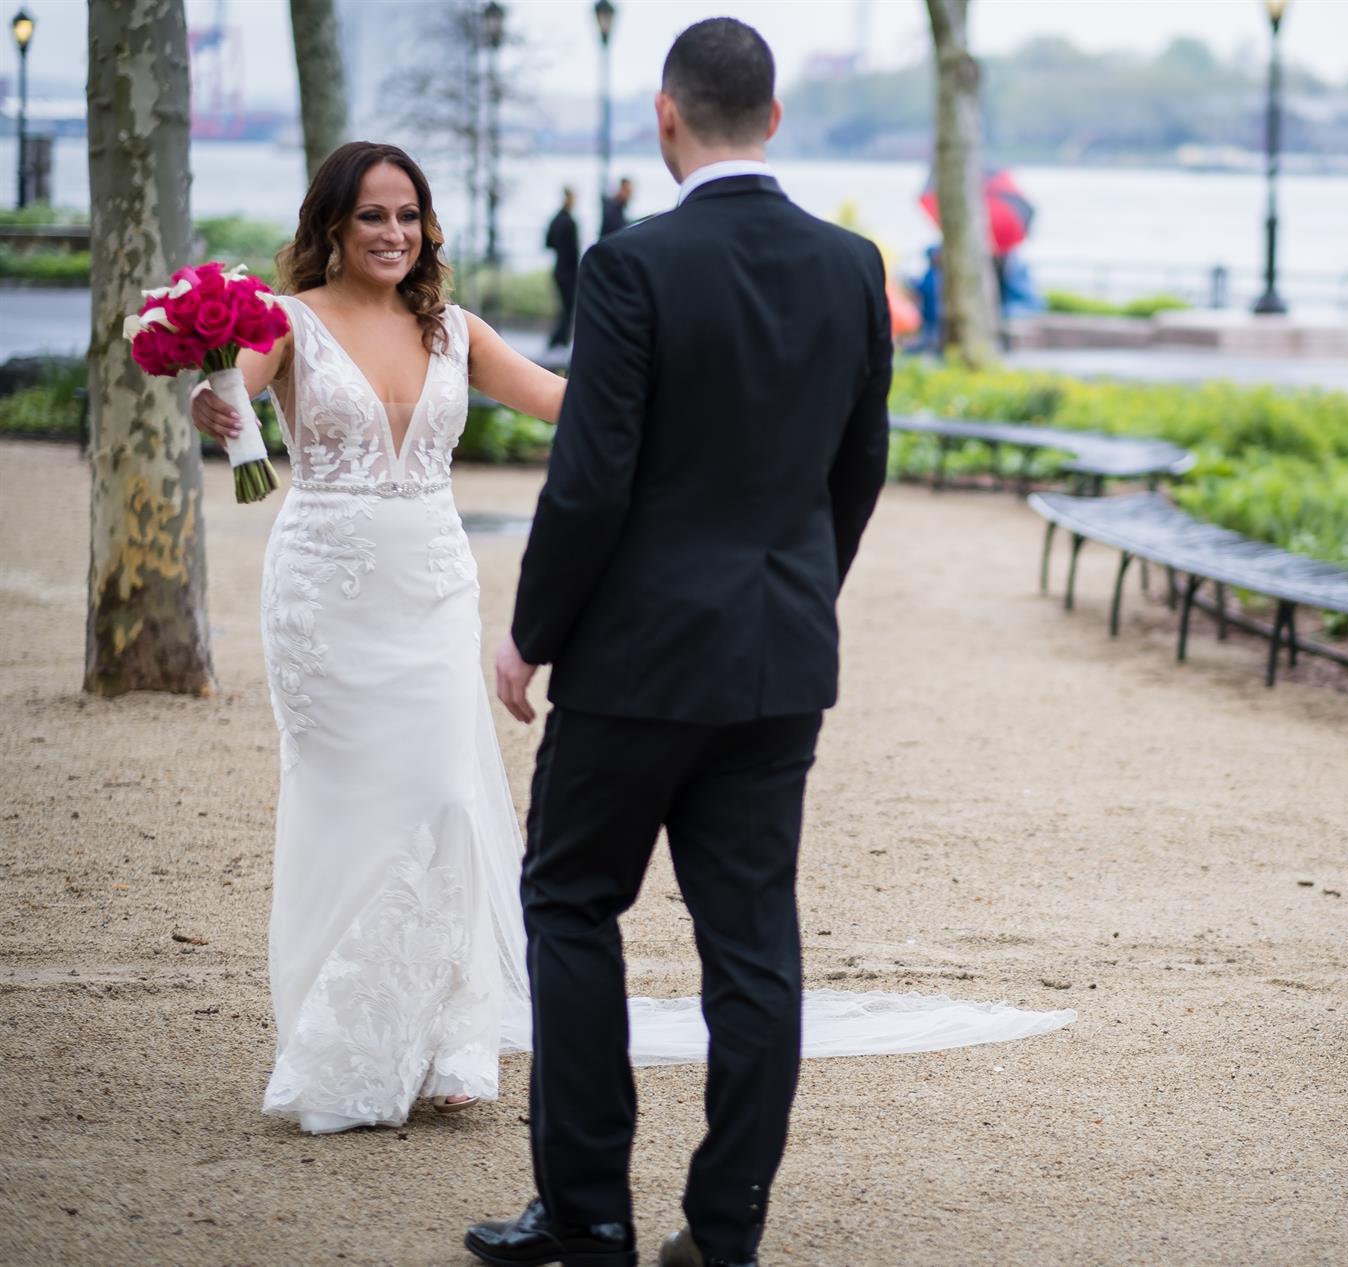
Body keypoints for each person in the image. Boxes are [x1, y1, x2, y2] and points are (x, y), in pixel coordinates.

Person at [465, 19, 893, 1267]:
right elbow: (860, 465)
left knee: (570, 901)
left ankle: (588, 1212)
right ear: (774, 118)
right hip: (778, 659)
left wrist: (532, 633)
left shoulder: (631, 264)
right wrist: (798, 592)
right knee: (753, 945)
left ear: (666, 116)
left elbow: (591, 477)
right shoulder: (850, 264)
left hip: (637, 665)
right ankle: (725, 1228)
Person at [187, 141, 568, 1135]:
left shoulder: (455, 330)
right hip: (326, 596)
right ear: (332, 225)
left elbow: (565, 402)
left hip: (434, 592)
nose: (393, 233)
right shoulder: (287, 322)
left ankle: (449, 1043)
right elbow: (234, 396)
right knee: (345, 807)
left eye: (407, 215)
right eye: (372, 215)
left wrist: (677, 370)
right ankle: (340, 1050)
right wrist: (218, 405)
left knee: (446, 796)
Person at [545, 186, 580, 350]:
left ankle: (559, 339)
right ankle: (559, 340)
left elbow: (548, 242)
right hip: (568, 271)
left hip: (559, 268)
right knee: (568, 308)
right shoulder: (569, 222)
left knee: (565, 308)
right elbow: (573, 251)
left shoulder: (556, 219)